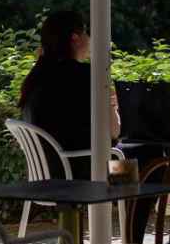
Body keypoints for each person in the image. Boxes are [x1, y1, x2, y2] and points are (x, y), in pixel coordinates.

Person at [17, 10, 121, 180]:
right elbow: (114, 132)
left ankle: (128, 207)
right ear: (75, 38)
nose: (89, 38)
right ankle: (131, 207)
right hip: (87, 174)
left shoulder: (35, 78)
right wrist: (113, 107)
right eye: (86, 32)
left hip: (46, 178)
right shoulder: (87, 76)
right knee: (146, 156)